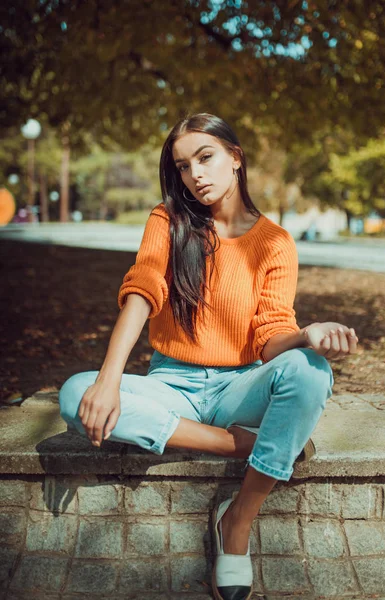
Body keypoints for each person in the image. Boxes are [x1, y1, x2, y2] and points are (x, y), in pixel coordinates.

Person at [59, 112, 359, 600]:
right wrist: (110, 379)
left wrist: (307, 335)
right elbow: (141, 292)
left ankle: (236, 523)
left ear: (235, 158)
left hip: (240, 387)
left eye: (205, 157)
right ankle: (242, 446)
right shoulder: (168, 221)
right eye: (182, 166)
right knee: (77, 393)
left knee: (310, 372)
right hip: (170, 385)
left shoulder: (276, 242)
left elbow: (270, 337)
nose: (195, 175)